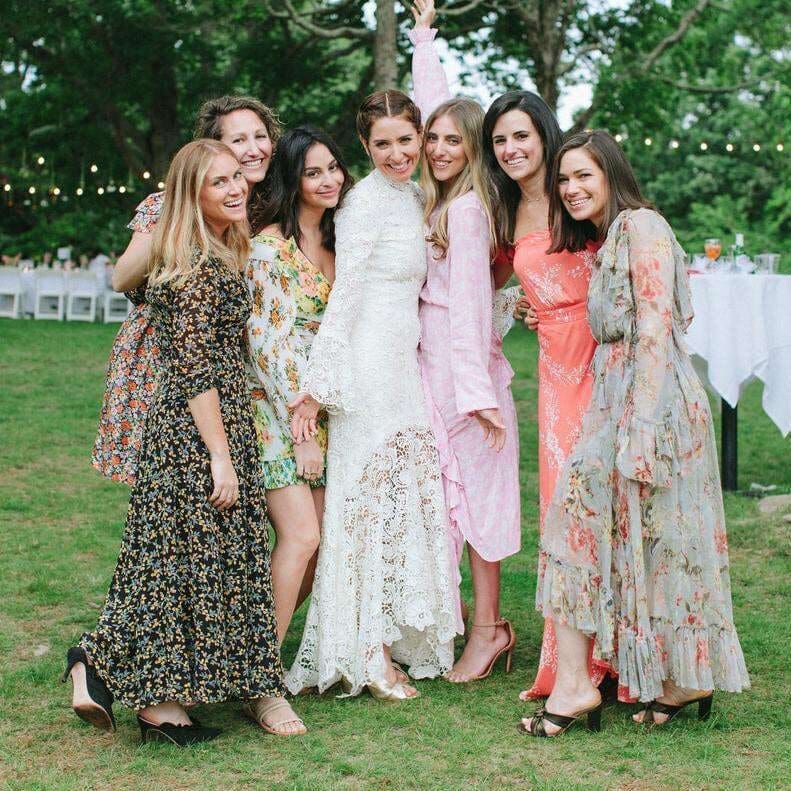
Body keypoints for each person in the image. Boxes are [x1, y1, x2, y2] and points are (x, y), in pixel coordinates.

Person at [520, 130, 750, 737]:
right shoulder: (611, 236)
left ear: (611, 175)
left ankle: (581, 686)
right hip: (620, 399)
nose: (570, 189)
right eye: (563, 180)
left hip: (652, 405)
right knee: (658, 539)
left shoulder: (641, 224)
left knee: (596, 526)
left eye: (582, 176)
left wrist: (642, 428)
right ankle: (676, 677)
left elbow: (653, 326)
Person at [63, 139, 285, 745]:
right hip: (196, 429)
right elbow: (192, 367)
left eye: (237, 177)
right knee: (176, 562)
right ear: (194, 195)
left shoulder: (213, 251)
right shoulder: (194, 264)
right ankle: (108, 668)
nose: (236, 188)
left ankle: (154, 699)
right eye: (219, 183)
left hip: (210, 421)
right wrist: (220, 455)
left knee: (177, 563)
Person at [285, 89, 461, 701]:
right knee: (365, 511)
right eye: (381, 143)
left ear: (420, 137)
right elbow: (345, 297)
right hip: (364, 371)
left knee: (402, 504)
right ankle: (367, 651)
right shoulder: (361, 206)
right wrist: (316, 389)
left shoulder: (416, 197)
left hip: (403, 367)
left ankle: (396, 634)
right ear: (365, 145)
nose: (396, 153)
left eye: (405, 140)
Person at [482, 86, 614, 701]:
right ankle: (575, 667)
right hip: (555, 375)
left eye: (520, 135)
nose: (510, 149)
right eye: (499, 139)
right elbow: (489, 282)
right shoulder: (505, 213)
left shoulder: (577, 196)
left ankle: (626, 659)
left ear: (543, 134)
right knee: (565, 511)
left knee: (614, 507)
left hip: (605, 361)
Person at [408, 0, 520, 683]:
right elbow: (429, 109)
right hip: (431, 368)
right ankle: (460, 622)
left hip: (463, 376)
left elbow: (473, 309)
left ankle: (488, 630)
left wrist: (476, 396)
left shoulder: (472, 210)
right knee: (448, 498)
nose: (439, 148)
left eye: (454, 141)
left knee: (479, 502)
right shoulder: (442, 199)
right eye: (434, 139)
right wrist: (423, 35)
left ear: (475, 149)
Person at [92, 95, 281, 485]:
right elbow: (121, 279)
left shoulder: (260, 205)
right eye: (239, 140)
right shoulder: (169, 207)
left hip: (229, 361)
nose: (253, 149)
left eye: (260, 136)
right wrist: (179, 217)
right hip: (166, 358)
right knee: (176, 480)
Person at [244, 126, 352, 648]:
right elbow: (267, 344)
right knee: (302, 535)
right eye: (313, 172)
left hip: (327, 406)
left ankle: (254, 645)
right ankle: (259, 669)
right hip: (278, 409)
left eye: (333, 167)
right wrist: (301, 428)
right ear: (293, 179)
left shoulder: (340, 238)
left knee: (326, 540)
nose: (329, 179)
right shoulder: (269, 248)